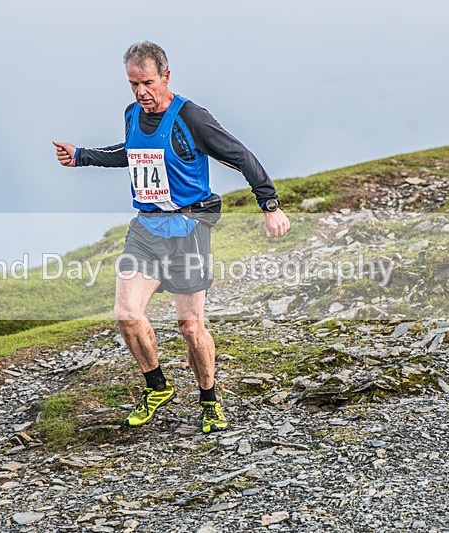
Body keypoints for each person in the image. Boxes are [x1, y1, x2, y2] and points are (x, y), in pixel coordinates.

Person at [53, 41, 290, 433]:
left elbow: (240, 156)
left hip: (188, 231)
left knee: (191, 327)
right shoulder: (132, 114)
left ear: (165, 76)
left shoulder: (191, 117)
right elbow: (129, 152)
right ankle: (157, 387)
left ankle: (209, 400)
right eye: (133, 84)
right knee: (127, 314)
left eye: (147, 83)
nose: (140, 92)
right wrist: (82, 155)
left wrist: (270, 205)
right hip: (146, 230)